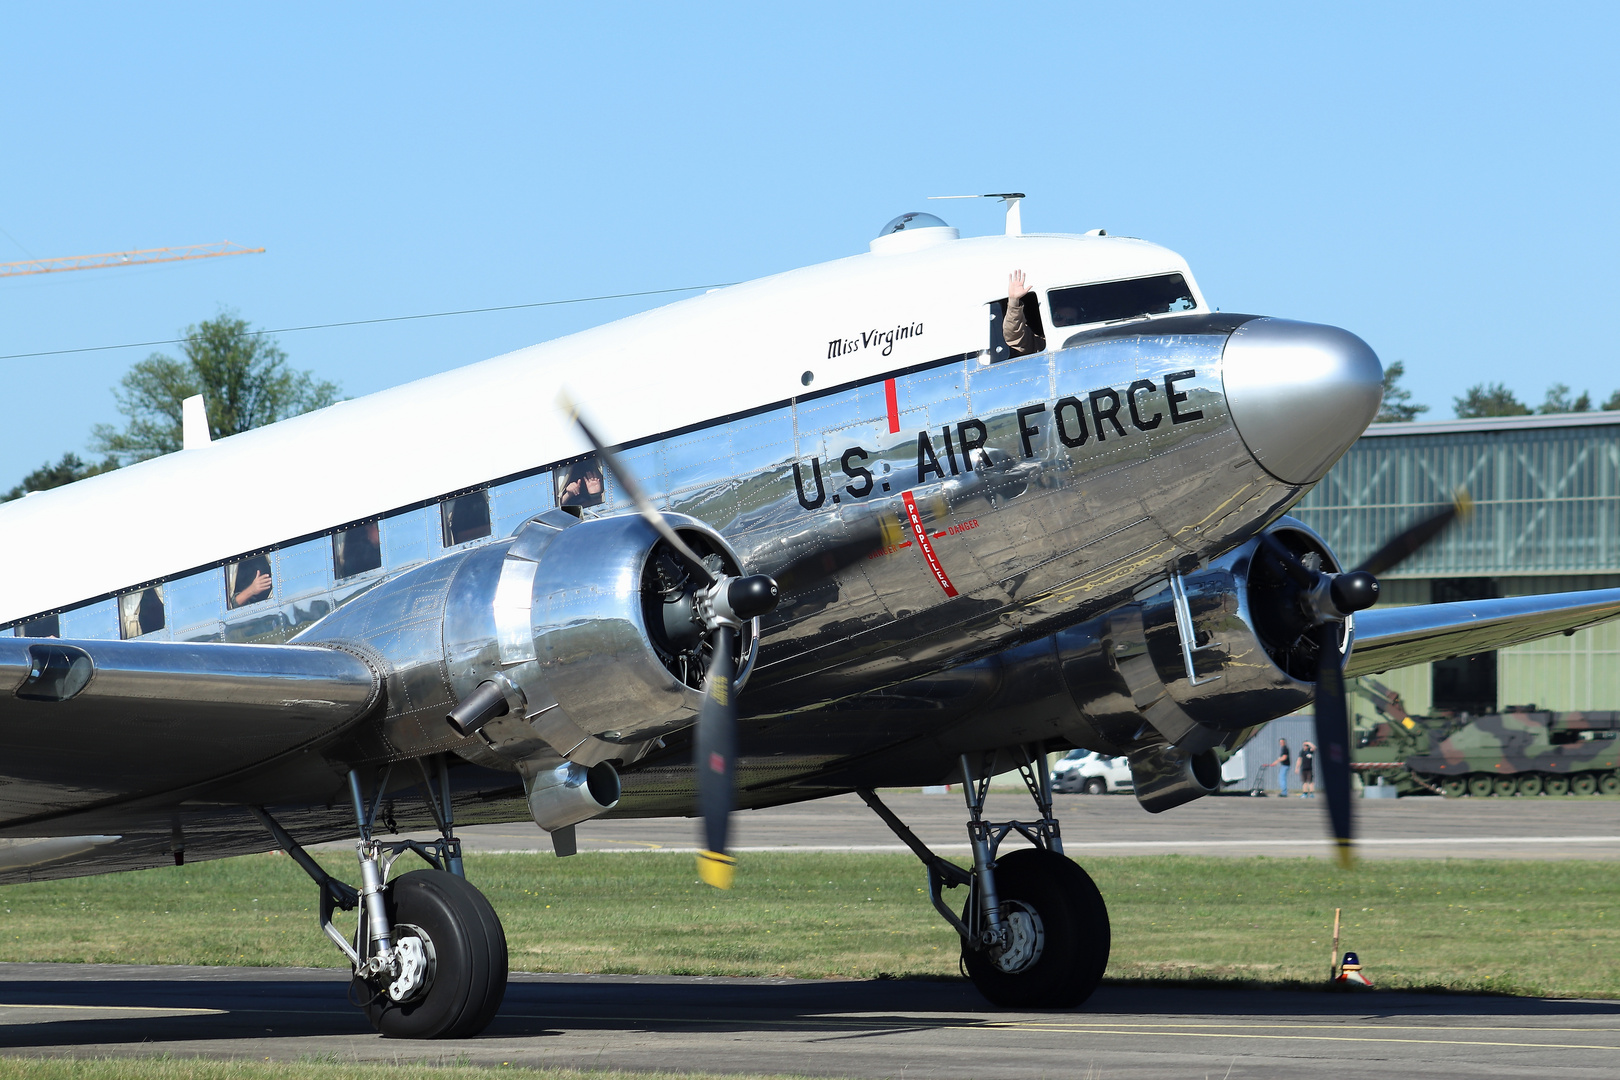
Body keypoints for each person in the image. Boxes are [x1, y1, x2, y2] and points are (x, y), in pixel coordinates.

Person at [1004, 271, 1046, 357]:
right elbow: (1014, 335)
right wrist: (1014, 302)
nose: (1064, 321)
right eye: (1059, 317)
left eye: (1070, 320)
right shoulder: (1038, 344)